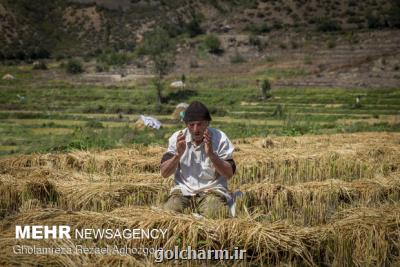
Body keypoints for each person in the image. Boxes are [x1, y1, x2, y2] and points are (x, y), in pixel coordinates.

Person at [160, 101, 236, 219]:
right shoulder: (177, 138)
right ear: (186, 124)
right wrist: (177, 155)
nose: (196, 129)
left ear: (207, 123)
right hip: (183, 190)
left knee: (215, 214)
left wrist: (211, 154)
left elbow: (229, 173)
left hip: (212, 190)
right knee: (168, 215)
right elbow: (164, 173)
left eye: (200, 124)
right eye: (191, 125)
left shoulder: (220, 139)